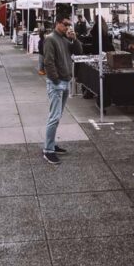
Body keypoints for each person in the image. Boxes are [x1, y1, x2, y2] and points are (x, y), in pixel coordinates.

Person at [42, 16, 82, 165]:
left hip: (65, 81)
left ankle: (51, 144)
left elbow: (78, 52)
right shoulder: (51, 39)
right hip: (57, 83)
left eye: (69, 25)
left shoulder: (65, 39)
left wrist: (75, 39)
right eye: (65, 24)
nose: (67, 27)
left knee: (57, 116)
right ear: (57, 24)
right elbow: (48, 62)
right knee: (54, 116)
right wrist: (56, 79)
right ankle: (48, 150)